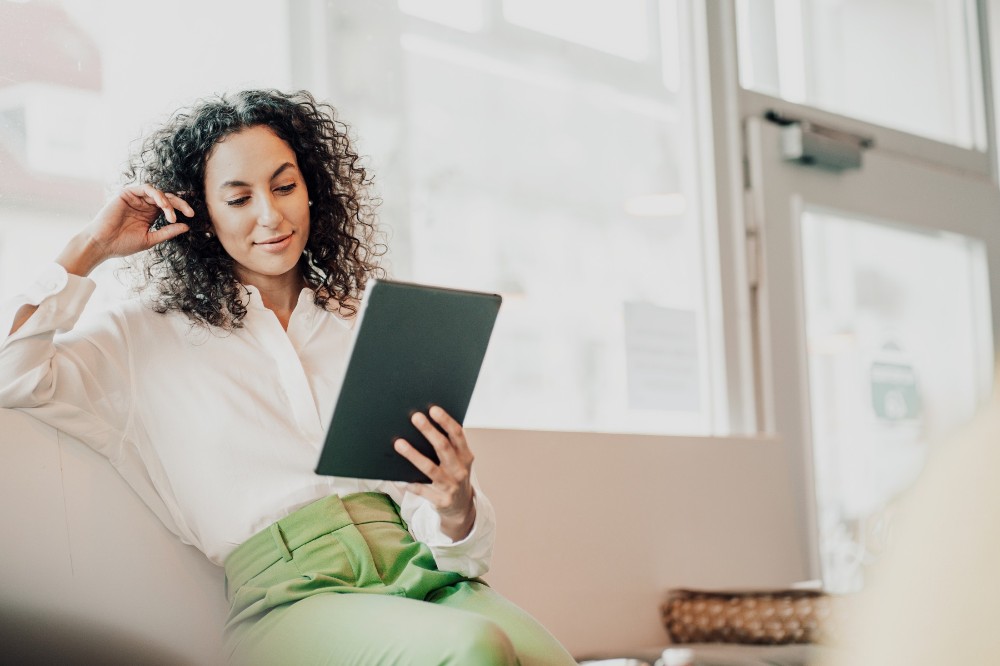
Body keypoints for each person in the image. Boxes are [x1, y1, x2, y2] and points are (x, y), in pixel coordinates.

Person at [0, 89, 576, 666]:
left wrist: (455, 504)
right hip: (292, 603)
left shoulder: (361, 327)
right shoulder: (141, 337)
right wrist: (92, 245)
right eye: (239, 198)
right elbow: (13, 373)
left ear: (311, 191)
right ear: (198, 212)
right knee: (475, 648)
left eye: (284, 187)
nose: (271, 216)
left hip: (420, 575)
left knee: (548, 658)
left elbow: (450, 545)